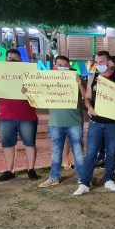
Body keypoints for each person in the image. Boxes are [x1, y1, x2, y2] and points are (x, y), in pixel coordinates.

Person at [0, 49, 39, 182]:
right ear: (5, 59)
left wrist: (30, 90)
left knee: (29, 143)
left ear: (20, 60)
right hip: (5, 115)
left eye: (15, 58)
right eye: (9, 58)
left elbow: (38, 95)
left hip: (27, 115)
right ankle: (9, 170)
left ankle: (31, 169)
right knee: (8, 144)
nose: (11, 60)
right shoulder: (0, 74)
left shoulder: (29, 74)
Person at [73, 51, 115, 196]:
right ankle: (84, 182)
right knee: (91, 153)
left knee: (112, 152)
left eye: (102, 62)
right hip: (95, 122)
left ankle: (109, 179)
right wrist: (89, 107)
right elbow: (88, 97)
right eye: (97, 62)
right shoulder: (93, 77)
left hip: (113, 123)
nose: (99, 65)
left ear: (109, 62)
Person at [35, 56, 85, 188]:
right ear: (55, 66)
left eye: (65, 64)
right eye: (59, 64)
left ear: (69, 65)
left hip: (74, 122)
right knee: (56, 153)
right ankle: (54, 177)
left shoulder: (76, 78)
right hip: (55, 123)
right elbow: (39, 95)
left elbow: (86, 96)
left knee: (78, 153)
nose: (62, 66)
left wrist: (79, 83)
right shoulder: (49, 80)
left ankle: (83, 178)